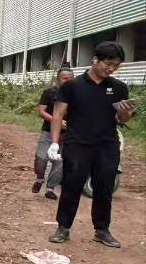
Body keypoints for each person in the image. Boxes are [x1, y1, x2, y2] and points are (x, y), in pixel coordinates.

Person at [48, 42, 135, 248]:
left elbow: (122, 120)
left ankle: (102, 230)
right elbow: (58, 115)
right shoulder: (72, 86)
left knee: (104, 188)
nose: (111, 69)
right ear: (95, 59)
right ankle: (63, 228)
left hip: (107, 144)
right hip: (78, 144)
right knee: (72, 185)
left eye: (116, 66)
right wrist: (54, 143)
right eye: (108, 63)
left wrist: (124, 112)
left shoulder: (119, 88)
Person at [33, 67, 74, 199]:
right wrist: (56, 121)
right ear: (57, 79)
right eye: (65, 78)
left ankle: (50, 189)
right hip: (48, 132)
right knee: (41, 157)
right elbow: (41, 111)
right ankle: (39, 179)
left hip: (68, 134)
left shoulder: (78, 95)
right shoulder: (49, 93)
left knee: (60, 162)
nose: (68, 81)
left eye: (71, 78)